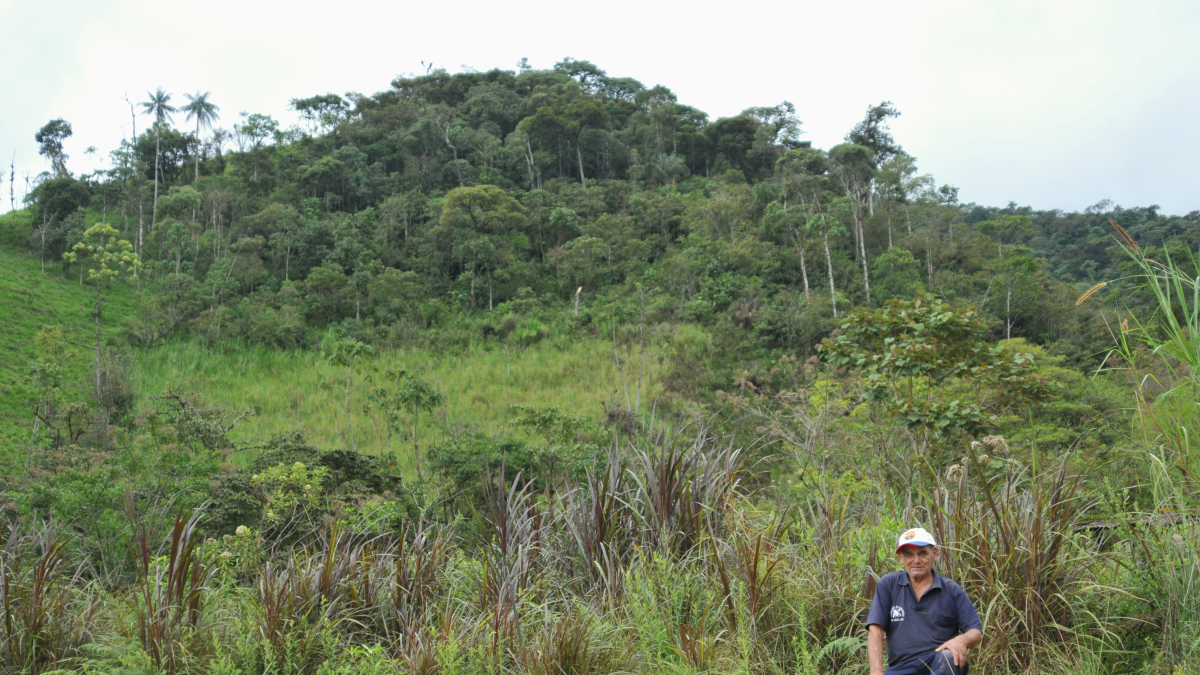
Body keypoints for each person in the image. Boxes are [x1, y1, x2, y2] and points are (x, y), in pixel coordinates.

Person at [866, 528, 983, 675]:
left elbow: (976, 632)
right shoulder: (888, 585)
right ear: (901, 558)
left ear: (934, 554)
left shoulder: (951, 590)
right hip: (900, 669)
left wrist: (961, 640)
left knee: (948, 656)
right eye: (909, 554)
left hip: (939, 664)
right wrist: (876, 671)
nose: (916, 561)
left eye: (922, 553)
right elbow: (875, 630)